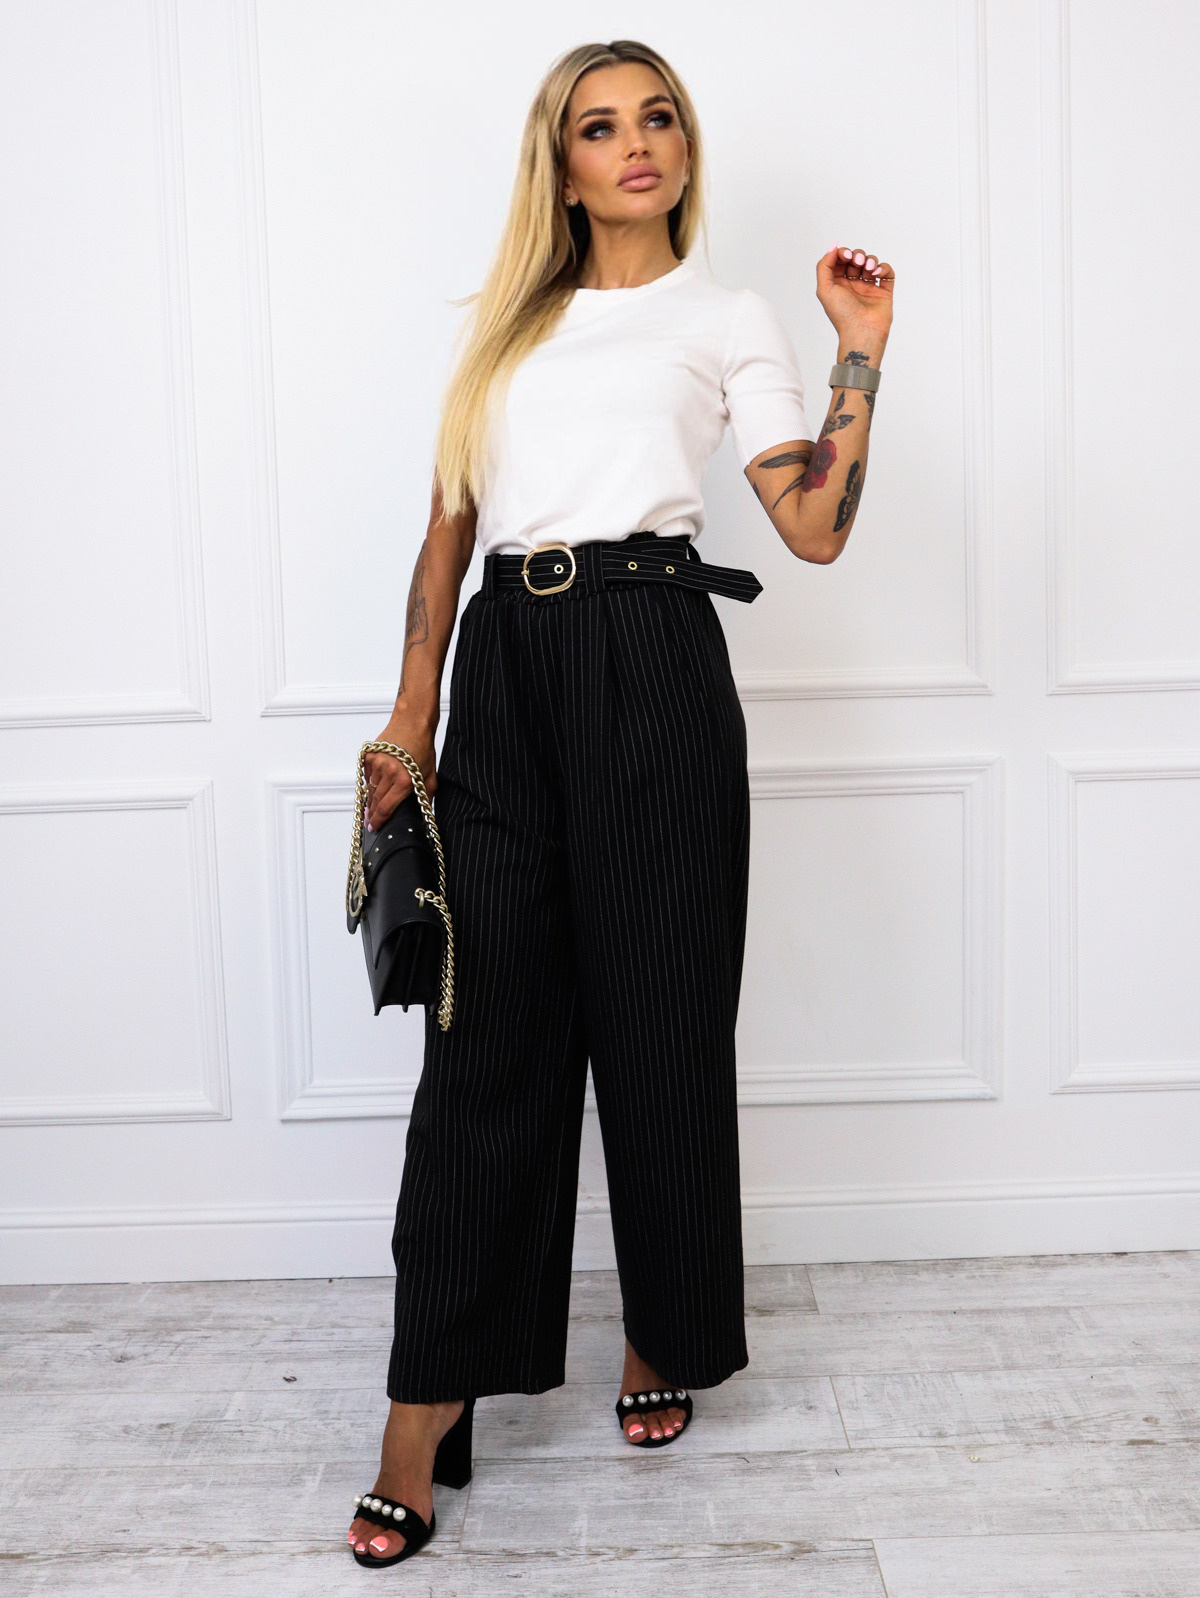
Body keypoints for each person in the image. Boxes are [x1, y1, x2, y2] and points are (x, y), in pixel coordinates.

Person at [347, 37, 894, 1568]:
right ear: (565, 166)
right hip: (504, 671)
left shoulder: (725, 317)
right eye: (601, 126)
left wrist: (860, 352)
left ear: (682, 149)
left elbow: (812, 525)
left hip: (655, 654)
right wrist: (409, 718)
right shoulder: (502, 335)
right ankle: (422, 1408)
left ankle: (665, 1327)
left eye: (657, 118)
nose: (636, 142)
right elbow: (446, 534)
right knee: (483, 1044)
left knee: (661, 1021)